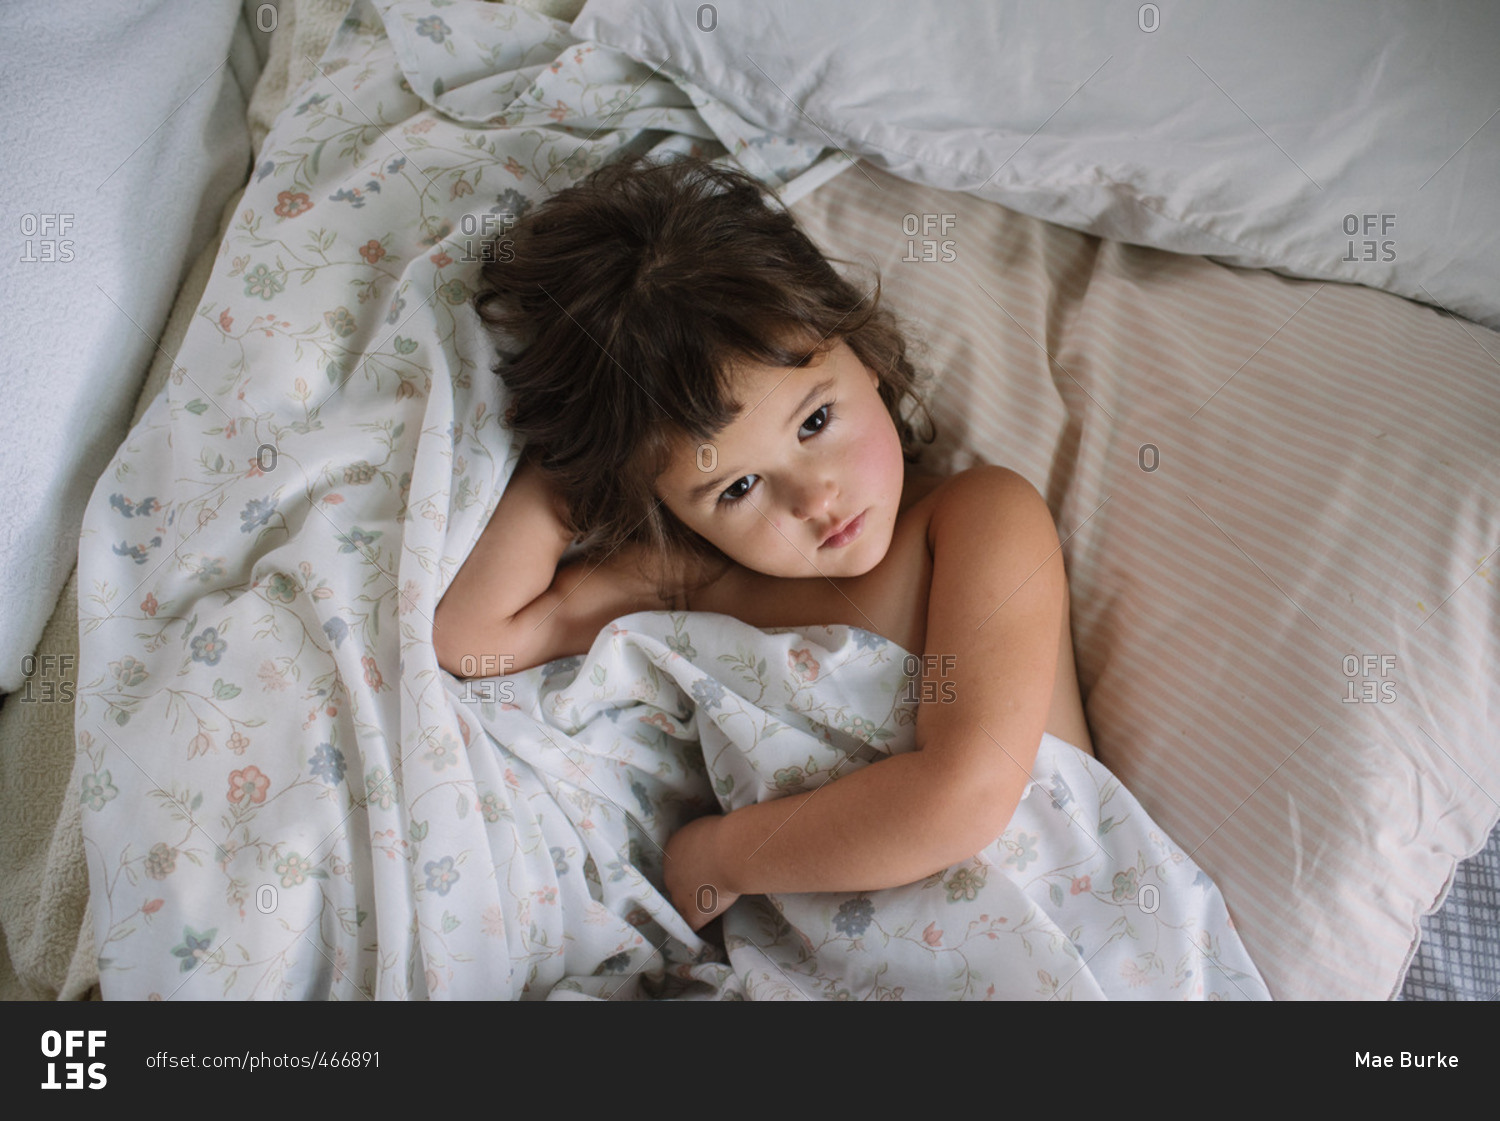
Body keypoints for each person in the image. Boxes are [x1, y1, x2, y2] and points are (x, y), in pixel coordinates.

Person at [434, 154, 1094, 932]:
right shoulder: (695, 582)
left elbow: (965, 796)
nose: (814, 499)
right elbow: (471, 639)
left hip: (1052, 933)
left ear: (866, 356)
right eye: (737, 488)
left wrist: (726, 854)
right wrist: (575, 473)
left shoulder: (978, 518)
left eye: (816, 422)